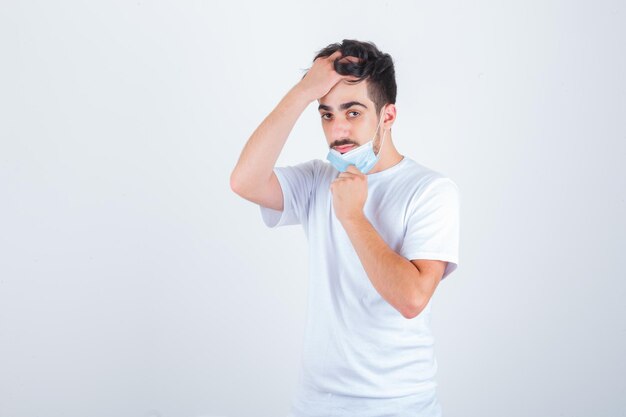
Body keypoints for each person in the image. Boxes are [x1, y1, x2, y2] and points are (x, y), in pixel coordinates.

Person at [230, 39, 460, 417]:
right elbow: (244, 181)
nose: (337, 130)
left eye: (353, 113)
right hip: (315, 404)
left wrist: (352, 217)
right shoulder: (318, 179)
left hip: (398, 405)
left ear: (387, 116)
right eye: (326, 114)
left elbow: (412, 299)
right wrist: (304, 91)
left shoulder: (431, 190)